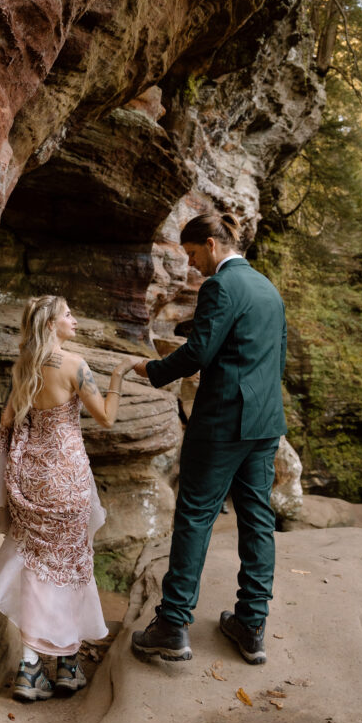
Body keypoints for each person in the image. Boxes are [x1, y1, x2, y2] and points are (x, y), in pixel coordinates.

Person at [131, 211, 287, 666]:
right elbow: (275, 358)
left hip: (221, 423)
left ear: (212, 246)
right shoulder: (268, 288)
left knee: (196, 514)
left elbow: (200, 352)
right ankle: (251, 625)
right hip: (264, 422)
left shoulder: (221, 286)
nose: (193, 265)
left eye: (194, 254)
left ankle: (173, 624)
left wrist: (153, 370)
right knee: (257, 519)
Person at [0, 295, 135, 701]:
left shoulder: (24, 368)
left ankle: (31, 668)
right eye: (68, 315)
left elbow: (9, 421)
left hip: (30, 478)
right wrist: (117, 374)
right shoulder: (75, 365)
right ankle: (66, 668)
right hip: (67, 481)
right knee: (71, 568)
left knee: (37, 570)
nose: (75, 321)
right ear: (50, 324)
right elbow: (107, 417)